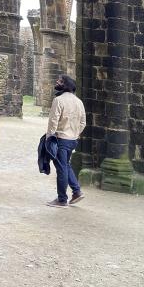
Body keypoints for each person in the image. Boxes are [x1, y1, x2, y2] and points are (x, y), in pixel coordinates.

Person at [46, 74, 86, 207]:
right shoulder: (79, 101)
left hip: (61, 139)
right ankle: (77, 192)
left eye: (60, 81)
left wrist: (50, 137)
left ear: (65, 85)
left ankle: (62, 199)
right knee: (66, 165)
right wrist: (75, 133)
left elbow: (53, 120)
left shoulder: (59, 100)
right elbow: (83, 122)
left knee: (61, 168)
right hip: (72, 139)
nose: (57, 82)